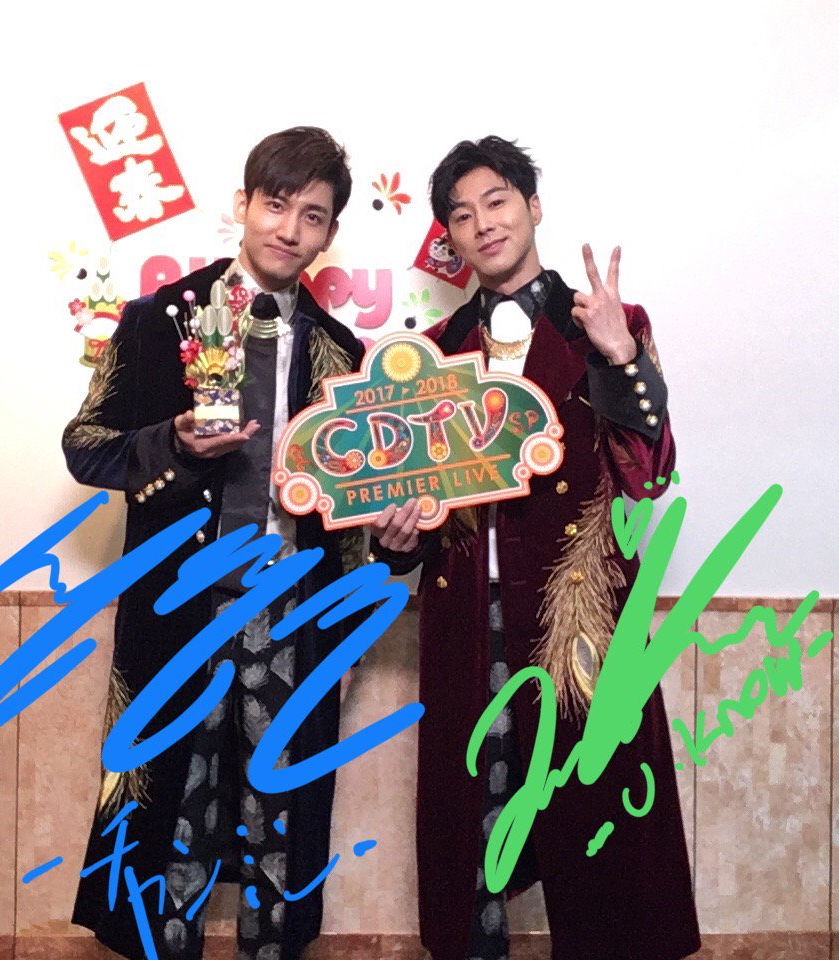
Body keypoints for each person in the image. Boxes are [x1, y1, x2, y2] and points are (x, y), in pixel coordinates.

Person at [372, 137, 701, 960]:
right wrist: (394, 539)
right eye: (462, 215)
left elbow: (651, 470)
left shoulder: (604, 326)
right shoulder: (434, 350)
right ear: (451, 237)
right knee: (473, 823)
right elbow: (409, 511)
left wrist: (620, 356)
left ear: (533, 207)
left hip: (578, 614)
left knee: (599, 812)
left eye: (497, 201)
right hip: (465, 614)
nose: (483, 223)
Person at [63, 126, 364, 960]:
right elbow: (84, 446)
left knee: (282, 815)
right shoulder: (157, 321)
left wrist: (377, 573)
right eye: (276, 204)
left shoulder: (344, 353)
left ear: (329, 234)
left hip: (295, 613)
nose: (289, 229)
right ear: (242, 204)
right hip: (180, 608)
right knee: (174, 814)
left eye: (312, 216)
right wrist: (170, 441)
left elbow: (354, 513)